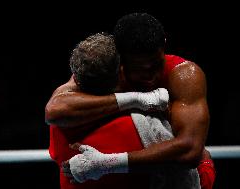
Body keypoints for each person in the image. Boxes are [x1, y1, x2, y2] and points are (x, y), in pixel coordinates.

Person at [46, 13, 215, 189]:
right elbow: (55, 111)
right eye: (139, 69)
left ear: (164, 44)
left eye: (156, 65)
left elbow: (191, 150)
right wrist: (136, 99)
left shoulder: (183, 75)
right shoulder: (103, 72)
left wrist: (107, 163)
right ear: (120, 59)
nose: (151, 77)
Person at [48, 32, 169, 189]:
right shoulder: (142, 123)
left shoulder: (60, 127)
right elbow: (181, 162)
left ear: (77, 79)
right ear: (120, 71)